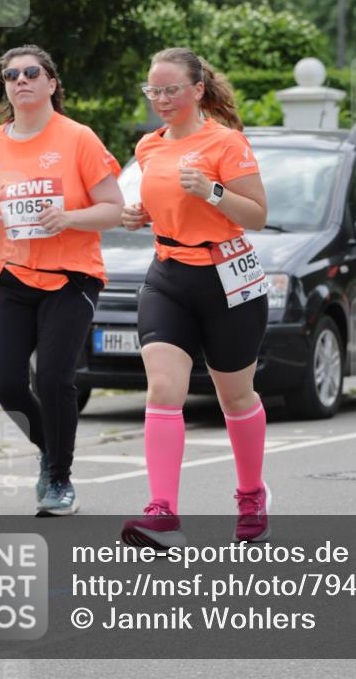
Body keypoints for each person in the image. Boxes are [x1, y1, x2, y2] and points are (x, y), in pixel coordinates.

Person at [0, 45, 123, 515]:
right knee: (7, 384)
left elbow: (113, 208)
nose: (21, 80)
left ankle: (59, 479)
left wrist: (69, 217)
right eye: (11, 75)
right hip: (10, 274)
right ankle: (49, 448)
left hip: (71, 277)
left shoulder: (78, 138)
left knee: (54, 377)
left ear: (52, 83)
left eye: (32, 72)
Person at [121, 47, 270, 548]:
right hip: (167, 276)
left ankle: (251, 494)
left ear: (197, 90)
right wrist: (141, 214)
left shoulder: (226, 144)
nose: (160, 99)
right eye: (153, 90)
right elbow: (163, 203)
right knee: (164, 388)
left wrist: (211, 191)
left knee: (235, 396)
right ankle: (162, 510)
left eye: (170, 90)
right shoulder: (148, 147)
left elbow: (255, 215)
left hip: (227, 278)